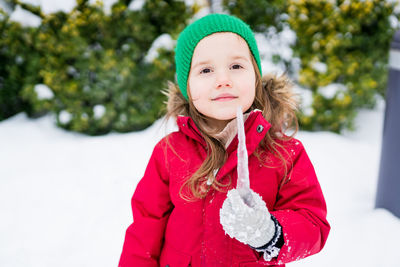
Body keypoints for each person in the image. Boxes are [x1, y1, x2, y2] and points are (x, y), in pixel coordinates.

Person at [119, 13, 330, 267]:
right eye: (206, 70)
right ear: (187, 85)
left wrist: (270, 233)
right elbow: (144, 230)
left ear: (255, 77)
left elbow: (313, 224)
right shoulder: (170, 152)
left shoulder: (285, 154)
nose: (223, 80)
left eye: (236, 66)